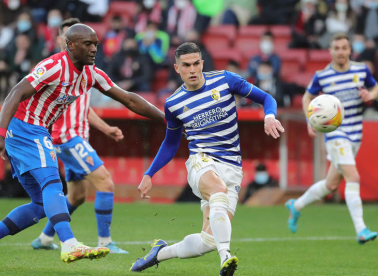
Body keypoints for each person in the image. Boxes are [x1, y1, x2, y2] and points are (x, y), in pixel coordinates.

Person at [0, 23, 164, 270]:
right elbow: (15, 92)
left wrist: (167, 119)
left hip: (34, 132)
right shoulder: (53, 66)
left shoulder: (92, 73)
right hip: (27, 128)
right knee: (53, 183)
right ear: (70, 45)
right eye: (87, 44)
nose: (93, 49)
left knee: (40, 205)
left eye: (95, 44)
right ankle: (69, 243)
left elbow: (130, 99)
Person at [130, 42, 284, 276]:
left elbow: (266, 98)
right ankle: (226, 257)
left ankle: (159, 253)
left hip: (232, 166)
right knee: (218, 189)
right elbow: (171, 143)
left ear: (202, 63)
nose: (192, 70)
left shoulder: (225, 80)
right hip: (201, 161)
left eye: (195, 64)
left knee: (208, 240)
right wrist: (149, 173)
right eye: (186, 65)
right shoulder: (174, 103)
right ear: (176, 68)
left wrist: (269, 116)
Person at [30, 18, 128, 254]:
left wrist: (105, 128)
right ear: (64, 42)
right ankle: (105, 242)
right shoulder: (56, 71)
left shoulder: (84, 71)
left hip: (77, 137)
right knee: (105, 182)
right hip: (68, 137)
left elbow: (84, 109)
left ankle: (44, 238)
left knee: (77, 196)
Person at [285, 33, 378, 244]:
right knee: (353, 177)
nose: (341, 52)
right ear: (331, 51)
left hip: (356, 133)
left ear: (349, 50)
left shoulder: (361, 70)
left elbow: (375, 87)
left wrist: (370, 96)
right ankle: (361, 229)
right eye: (336, 48)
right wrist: (310, 119)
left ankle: (296, 206)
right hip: (335, 134)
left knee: (331, 185)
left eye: (344, 48)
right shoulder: (322, 76)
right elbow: (308, 96)